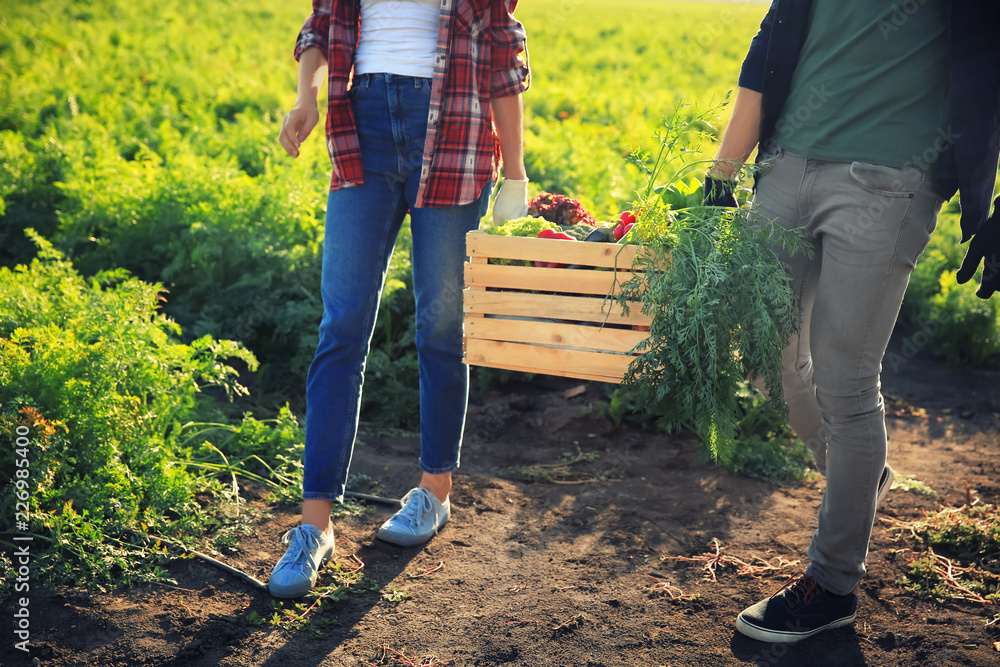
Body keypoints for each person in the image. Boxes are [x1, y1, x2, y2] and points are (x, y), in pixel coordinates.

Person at [706, 0, 1000, 643]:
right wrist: (723, 170)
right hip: (784, 167)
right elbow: (768, 52)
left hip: (888, 180)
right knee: (765, 356)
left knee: (845, 378)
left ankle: (832, 583)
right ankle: (860, 475)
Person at [268, 0, 531, 598]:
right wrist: (306, 97)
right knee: (341, 328)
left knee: (441, 326)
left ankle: (433, 492)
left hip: (456, 132)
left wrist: (514, 174)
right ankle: (315, 526)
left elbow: (501, 56)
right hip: (364, 126)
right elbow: (321, 28)